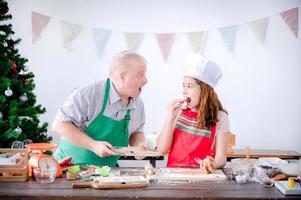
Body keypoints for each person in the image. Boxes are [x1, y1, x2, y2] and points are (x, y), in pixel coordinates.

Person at [52, 51, 148, 167]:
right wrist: (94, 145)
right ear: (122, 77)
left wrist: (139, 145)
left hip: (108, 172)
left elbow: (136, 132)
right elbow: (60, 125)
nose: (145, 81)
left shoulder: (137, 102)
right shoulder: (90, 92)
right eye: (140, 75)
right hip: (71, 169)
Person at [156, 54, 229, 173]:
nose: (184, 91)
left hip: (201, 176)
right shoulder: (179, 111)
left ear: (204, 91)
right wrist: (170, 117)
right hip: (174, 175)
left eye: (189, 86)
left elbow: (221, 158)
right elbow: (161, 149)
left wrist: (213, 163)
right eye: (183, 86)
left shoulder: (220, 117)